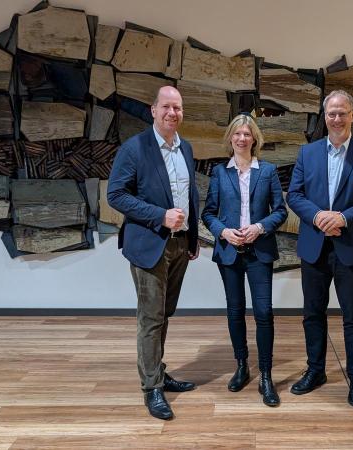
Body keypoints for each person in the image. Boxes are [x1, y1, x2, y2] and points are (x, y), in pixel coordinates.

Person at [286, 90, 353, 407]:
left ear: (352, 115)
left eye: (342, 112)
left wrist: (343, 218)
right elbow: (295, 194)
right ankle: (315, 371)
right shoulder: (308, 153)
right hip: (315, 246)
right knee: (312, 314)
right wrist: (318, 216)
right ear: (325, 116)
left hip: (352, 247)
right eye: (331, 113)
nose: (336, 118)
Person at [107, 86, 200, 421]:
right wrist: (159, 216)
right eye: (166, 107)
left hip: (179, 243)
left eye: (178, 107)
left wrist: (192, 238)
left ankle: (157, 371)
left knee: (164, 313)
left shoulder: (185, 148)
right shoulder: (135, 148)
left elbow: (189, 195)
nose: (172, 113)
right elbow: (116, 195)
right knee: (150, 317)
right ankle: (152, 388)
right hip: (149, 245)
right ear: (153, 109)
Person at [201, 114, 287, 407]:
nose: (241, 138)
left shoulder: (268, 171)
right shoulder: (219, 172)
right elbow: (208, 213)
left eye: (247, 134)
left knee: (264, 312)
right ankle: (241, 366)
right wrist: (224, 232)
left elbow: (280, 211)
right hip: (229, 251)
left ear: (255, 139)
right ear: (230, 138)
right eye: (237, 134)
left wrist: (259, 227)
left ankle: (266, 375)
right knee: (235, 311)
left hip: (259, 251)